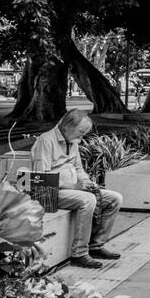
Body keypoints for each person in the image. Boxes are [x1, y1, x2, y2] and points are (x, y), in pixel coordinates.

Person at [30, 110, 123, 269]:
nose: (82, 137)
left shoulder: (72, 141)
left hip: (73, 189)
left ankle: (96, 246)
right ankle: (79, 253)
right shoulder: (46, 141)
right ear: (66, 127)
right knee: (88, 200)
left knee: (115, 198)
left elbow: (78, 169)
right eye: (81, 132)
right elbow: (41, 178)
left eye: (85, 133)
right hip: (49, 192)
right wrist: (74, 187)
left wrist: (88, 183)